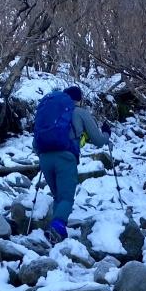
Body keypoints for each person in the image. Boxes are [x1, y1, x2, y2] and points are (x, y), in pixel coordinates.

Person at [32, 85, 111, 242]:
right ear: (79, 100)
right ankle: (56, 228)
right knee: (66, 198)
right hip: (66, 158)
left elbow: (35, 145)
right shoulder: (80, 112)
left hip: (45, 158)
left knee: (58, 197)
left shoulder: (50, 113)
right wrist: (106, 133)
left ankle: (56, 235)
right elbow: (98, 140)